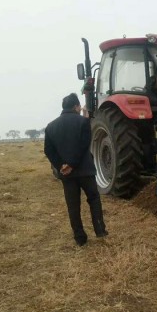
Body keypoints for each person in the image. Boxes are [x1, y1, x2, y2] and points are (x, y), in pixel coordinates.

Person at [44, 93, 108, 246]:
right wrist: (72, 164)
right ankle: (100, 230)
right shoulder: (83, 122)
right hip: (85, 171)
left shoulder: (51, 126)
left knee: (73, 205)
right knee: (93, 199)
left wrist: (61, 165)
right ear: (76, 107)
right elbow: (83, 145)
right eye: (79, 106)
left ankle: (80, 238)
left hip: (67, 174)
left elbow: (48, 150)